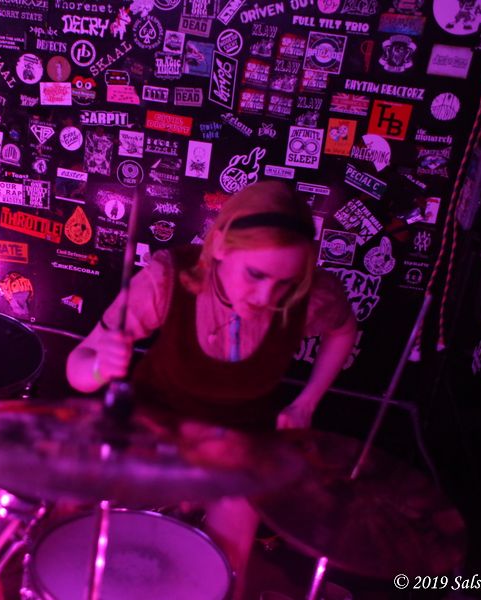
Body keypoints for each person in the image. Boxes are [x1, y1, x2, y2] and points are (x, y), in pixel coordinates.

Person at [66, 180, 357, 599]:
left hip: (241, 445)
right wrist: (99, 368)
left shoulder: (307, 296)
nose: (267, 296)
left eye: (284, 283)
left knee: (224, 573)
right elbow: (77, 368)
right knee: (105, 557)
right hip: (153, 431)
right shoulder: (168, 279)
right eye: (255, 274)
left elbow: (343, 331)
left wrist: (306, 402)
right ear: (219, 245)